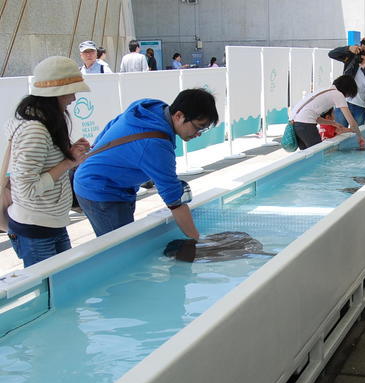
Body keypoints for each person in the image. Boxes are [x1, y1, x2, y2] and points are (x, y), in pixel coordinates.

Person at [73, 89, 219, 240]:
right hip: (100, 190)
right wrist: (198, 241)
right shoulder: (155, 144)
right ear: (179, 116)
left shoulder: (150, 108)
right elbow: (175, 201)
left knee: (124, 240)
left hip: (110, 182)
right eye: (198, 127)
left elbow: (112, 124)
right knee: (122, 248)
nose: (198, 134)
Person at [4, 56, 91, 267]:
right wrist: (68, 162)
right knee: (52, 293)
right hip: (35, 228)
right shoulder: (35, 129)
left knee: (62, 286)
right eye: (71, 90)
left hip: (50, 222)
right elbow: (26, 189)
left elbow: (43, 162)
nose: (74, 97)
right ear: (57, 93)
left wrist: (68, 152)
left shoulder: (43, 119)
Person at [290, 75, 365, 150]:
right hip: (305, 124)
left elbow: (315, 118)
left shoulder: (325, 90)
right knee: (318, 153)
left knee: (306, 155)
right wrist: (360, 137)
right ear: (348, 89)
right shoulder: (338, 94)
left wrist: (333, 123)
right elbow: (351, 121)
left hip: (295, 123)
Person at [328, 36, 365, 126]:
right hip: (343, 101)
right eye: (363, 51)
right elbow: (331, 54)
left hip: (360, 105)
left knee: (358, 134)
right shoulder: (351, 57)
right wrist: (348, 48)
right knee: (340, 131)